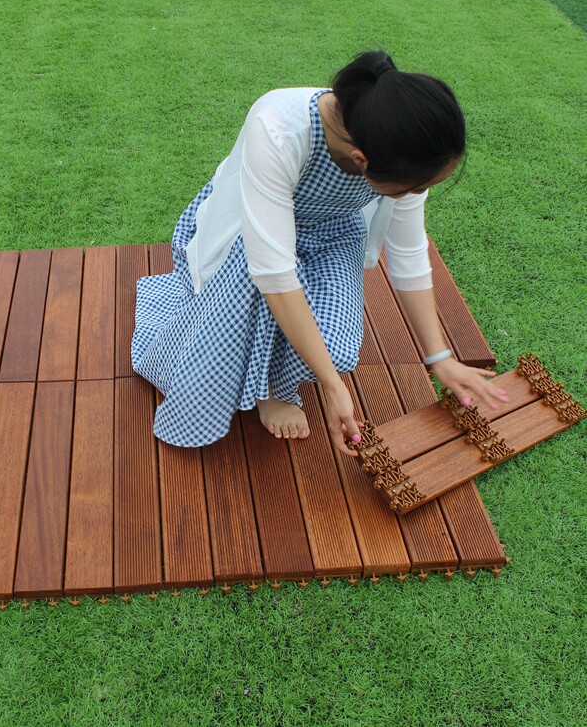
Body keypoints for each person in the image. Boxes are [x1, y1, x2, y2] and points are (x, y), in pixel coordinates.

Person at [131, 49, 508, 454]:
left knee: (338, 350)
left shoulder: (400, 149)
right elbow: (274, 272)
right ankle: (268, 390)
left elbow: (408, 252)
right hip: (250, 231)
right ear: (361, 160)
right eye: (413, 188)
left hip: (332, 231)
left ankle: (275, 374)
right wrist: (331, 386)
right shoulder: (279, 126)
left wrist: (440, 357)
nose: (417, 194)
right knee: (246, 313)